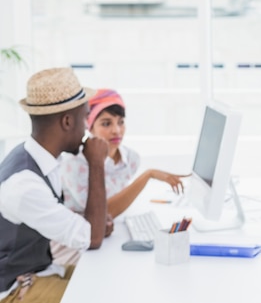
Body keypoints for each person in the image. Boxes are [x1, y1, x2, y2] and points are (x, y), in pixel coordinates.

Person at [0, 67, 110, 303]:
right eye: (85, 118)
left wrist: (94, 224)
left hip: (40, 272)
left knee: (112, 280)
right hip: (14, 290)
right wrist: (96, 164)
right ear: (68, 121)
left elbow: (88, 230)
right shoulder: (24, 185)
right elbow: (92, 239)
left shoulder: (41, 159)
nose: (87, 129)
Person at [60, 88, 187, 219]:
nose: (116, 130)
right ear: (90, 127)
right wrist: (149, 175)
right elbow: (101, 212)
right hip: (79, 234)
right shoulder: (73, 164)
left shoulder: (132, 159)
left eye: (121, 122)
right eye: (106, 123)